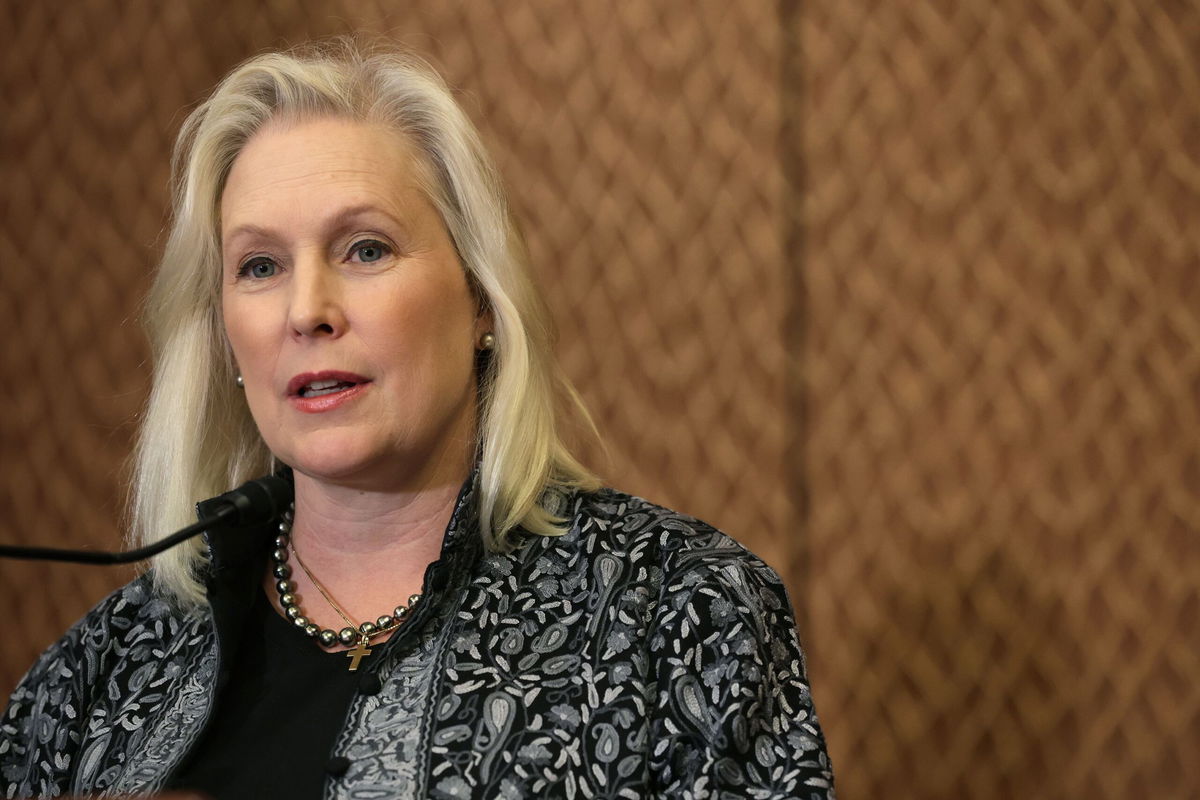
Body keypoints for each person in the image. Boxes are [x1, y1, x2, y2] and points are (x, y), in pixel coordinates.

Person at [0, 40, 836, 799]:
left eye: (365, 248)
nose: (307, 310)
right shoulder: (99, 676)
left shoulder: (679, 614)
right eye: (259, 266)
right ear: (223, 335)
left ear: (480, 298)